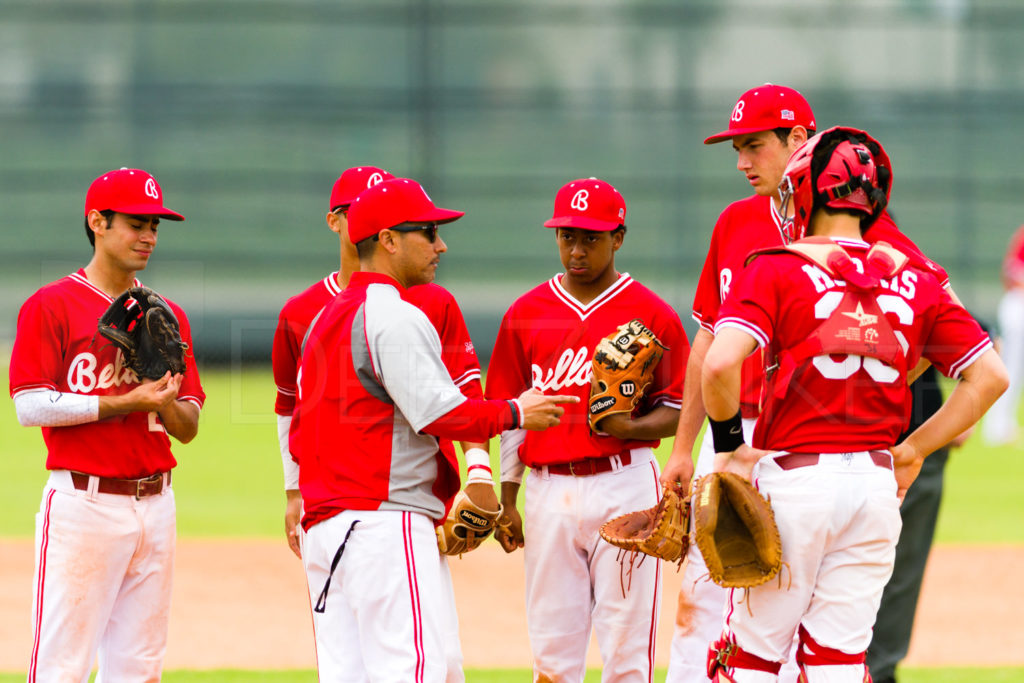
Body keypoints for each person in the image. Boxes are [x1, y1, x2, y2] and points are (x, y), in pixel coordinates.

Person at [660, 84, 954, 683]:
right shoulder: (735, 222)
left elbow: (924, 327)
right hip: (733, 440)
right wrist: (687, 448)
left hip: (797, 445)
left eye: (754, 146)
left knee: (769, 639)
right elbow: (708, 345)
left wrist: (857, 390)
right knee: (701, 611)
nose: (742, 162)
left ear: (799, 141)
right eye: (736, 149)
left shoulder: (867, 230)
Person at [699, 127, 1007, 682]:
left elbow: (719, 365)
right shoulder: (916, 279)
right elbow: (989, 377)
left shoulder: (773, 266)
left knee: (750, 658)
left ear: (805, 191)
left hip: (794, 481)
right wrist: (913, 450)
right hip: (873, 488)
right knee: (838, 663)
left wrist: (730, 450)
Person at [290, 177, 576, 682]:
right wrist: (515, 412)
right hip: (384, 526)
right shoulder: (392, 315)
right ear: (388, 240)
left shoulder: (322, 320)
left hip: (326, 530)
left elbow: (299, 430)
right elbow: (442, 414)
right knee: (415, 672)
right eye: (428, 231)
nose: (441, 244)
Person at [485, 177, 689, 682]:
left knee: (627, 653)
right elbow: (511, 415)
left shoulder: (653, 314)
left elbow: (682, 406)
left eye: (591, 238)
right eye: (567, 236)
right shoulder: (526, 313)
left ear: (618, 238)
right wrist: (507, 496)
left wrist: (632, 424)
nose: (576, 249)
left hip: (626, 484)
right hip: (548, 490)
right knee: (552, 654)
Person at [9, 167, 205, 681]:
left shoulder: (167, 315)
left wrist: (160, 400)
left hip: (158, 505)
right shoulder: (51, 305)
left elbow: (188, 425)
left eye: (155, 226)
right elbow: (30, 406)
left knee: (139, 669)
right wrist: (123, 401)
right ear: (97, 221)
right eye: (136, 223)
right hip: (84, 506)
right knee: (62, 667)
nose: (149, 237)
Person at [865, 364, 974, 683]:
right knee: (898, 574)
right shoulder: (924, 309)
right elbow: (986, 360)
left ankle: (872, 671)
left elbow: (982, 348)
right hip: (910, 447)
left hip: (876, 445)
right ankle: (877, 672)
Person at [983, 224, 1024, 445]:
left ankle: (1003, 424)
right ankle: (996, 426)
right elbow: (1011, 272)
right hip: (1018, 304)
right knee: (1010, 366)